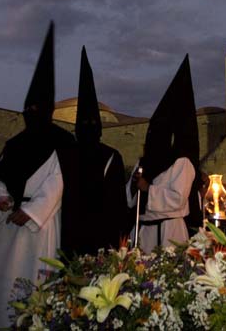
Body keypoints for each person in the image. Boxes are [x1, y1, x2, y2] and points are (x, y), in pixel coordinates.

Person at [0, 22, 77, 331]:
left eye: (37, 107)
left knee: (35, 289)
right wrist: (2, 198)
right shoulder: (15, 143)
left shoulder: (63, 141)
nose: (31, 111)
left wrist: (32, 211)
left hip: (40, 226)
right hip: (9, 226)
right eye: (28, 107)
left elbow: (59, 181)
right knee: (3, 287)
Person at [126, 55, 199, 254]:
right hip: (143, 230)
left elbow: (178, 199)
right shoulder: (144, 161)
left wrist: (148, 188)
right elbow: (130, 198)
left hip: (169, 232)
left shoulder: (181, 162)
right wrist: (133, 186)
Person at [74, 46, 127, 253]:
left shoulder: (110, 156)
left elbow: (117, 201)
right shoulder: (68, 153)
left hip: (101, 230)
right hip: (73, 228)